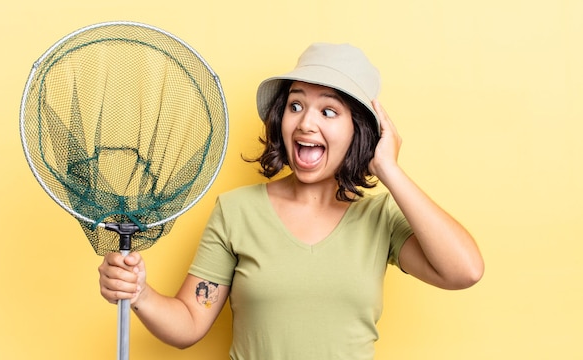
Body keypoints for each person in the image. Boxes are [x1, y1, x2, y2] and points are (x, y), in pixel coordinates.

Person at [98, 43, 484, 359]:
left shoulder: (380, 217)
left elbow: (464, 271)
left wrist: (389, 170)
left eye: (328, 111)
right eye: (296, 106)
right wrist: (139, 293)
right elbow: (188, 323)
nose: (305, 124)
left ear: (360, 131)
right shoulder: (237, 211)